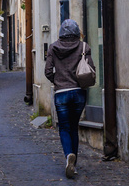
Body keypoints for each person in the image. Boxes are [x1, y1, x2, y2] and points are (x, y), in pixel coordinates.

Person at [44, 19, 95, 179]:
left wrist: (57, 81)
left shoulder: (53, 47)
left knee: (64, 127)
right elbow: (91, 69)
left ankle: (69, 156)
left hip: (62, 93)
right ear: (76, 32)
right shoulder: (84, 47)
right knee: (74, 127)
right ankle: (74, 164)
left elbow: (47, 71)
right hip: (79, 92)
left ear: (61, 33)